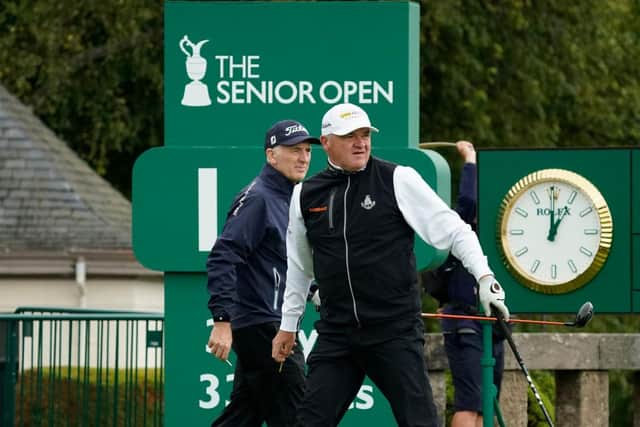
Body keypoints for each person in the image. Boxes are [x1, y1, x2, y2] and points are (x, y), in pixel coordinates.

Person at [271, 103, 510, 427]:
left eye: (365, 134)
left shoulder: (398, 179)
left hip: (393, 330)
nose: (360, 142)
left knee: (420, 423)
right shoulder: (306, 194)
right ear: (326, 142)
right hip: (338, 333)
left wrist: (485, 277)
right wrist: (289, 325)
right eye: (349, 136)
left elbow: (456, 231)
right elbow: (300, 267)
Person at [206, 119, 320, 427]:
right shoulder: (258, 198)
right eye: (295, 150)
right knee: (300, 415)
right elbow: (223, 256)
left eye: (308, 150)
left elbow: (284, 262)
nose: (304, 158)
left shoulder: (289, 199)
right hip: (262, 326)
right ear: (271, 155)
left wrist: (314, 293)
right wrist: (221, 320)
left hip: (268, 323)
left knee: (243, 415)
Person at [424, 141, 505, 427]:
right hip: (464, 321)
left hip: (492, 325)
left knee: (486, 406)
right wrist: (470, 159)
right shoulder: (461, 225)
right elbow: (468, 200)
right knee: (469, 403)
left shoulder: (500, 234)